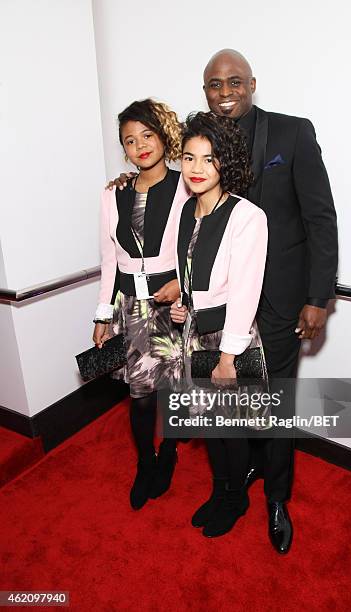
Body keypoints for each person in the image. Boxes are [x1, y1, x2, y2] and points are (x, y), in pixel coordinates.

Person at [201, 49, 339, 553]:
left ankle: (277, 497)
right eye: (215, 84)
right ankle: (237, 482)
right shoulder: (202, 141)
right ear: (205, 91)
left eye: (234, 81)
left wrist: (319, 296)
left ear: (252, 83)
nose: (225, 92)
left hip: (281, 298)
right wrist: (130, 183)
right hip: (220, 300)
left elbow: (321, 217)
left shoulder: (292, 132)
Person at [170, 112, 268, 538]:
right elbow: (189, 273)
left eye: (208, 160)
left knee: (231, 427)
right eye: (189, 158)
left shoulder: (247, 216)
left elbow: (245, 292)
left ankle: (236, 499)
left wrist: (228, 358)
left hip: (230, 338)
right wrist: (185, 307)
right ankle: (220, 490)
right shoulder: (186, 210)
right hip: (195, 333)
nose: (195, 169)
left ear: (225, 162)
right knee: (211, 425)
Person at [93, 99, 189, 511]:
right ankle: (145, 461)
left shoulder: (187, 184)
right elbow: (108, 259)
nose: (140, 146)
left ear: (162, 137)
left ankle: (168, 450)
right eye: (130, 141)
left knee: (171, 389)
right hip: (130, 307)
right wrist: (101, 315)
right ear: (124, 150)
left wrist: (182, 287)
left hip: (172, 307)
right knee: (140, 395)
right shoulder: (114, 192)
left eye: (147, 135)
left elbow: (199, 246)